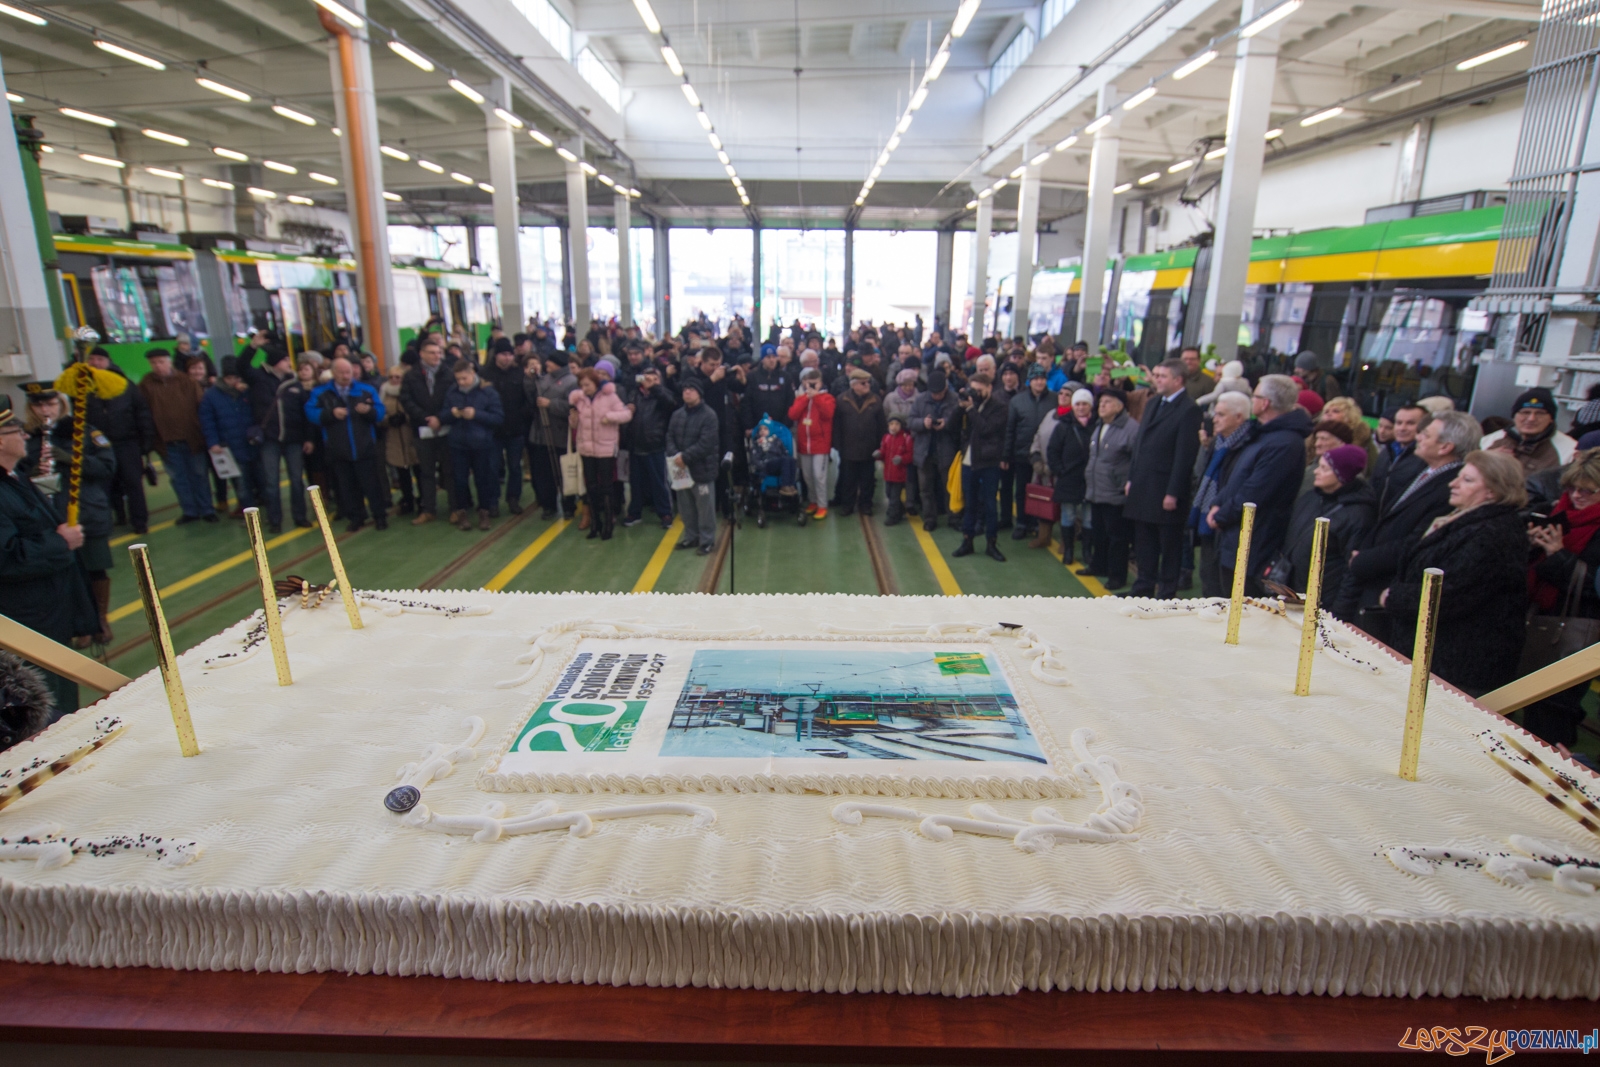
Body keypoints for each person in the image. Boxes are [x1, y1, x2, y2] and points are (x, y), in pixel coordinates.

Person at [1380, 450, 1529, 695]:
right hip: (1435, 657)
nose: (1453, 483)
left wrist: (1393, 597)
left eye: (1467, 480)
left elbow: (1451, 594)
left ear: (1492, 491)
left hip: (1458, 668)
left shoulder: (1491, 535)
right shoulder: (1461, 520)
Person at [1336, 410, 1481, 645]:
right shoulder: (1426, 472)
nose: (1418, 437)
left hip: (1389, 584)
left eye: (1426, 434)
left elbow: (1419, 540)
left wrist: (1366, 560)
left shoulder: (1450, 487)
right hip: (1373, 577)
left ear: (1445, 447)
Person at [0, 397, 95, 716]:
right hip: (28, 626)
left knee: (65, 701)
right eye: (17, 430)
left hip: (50, 614)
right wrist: (60, 541)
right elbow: (7, 557)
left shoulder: (15, 478)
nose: (25, 436)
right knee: (46, 710)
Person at [19, 385, 116, 647]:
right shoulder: (27, 438)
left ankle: (100, 619)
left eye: (50, 404)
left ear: (61, 403)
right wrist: (33, 473)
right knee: (67, 571)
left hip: (85, 511)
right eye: (39, 406)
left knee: (96, 567)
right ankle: (80, 623)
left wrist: (71, 458)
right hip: (50, 515)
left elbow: (107, 466)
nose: (45, 410)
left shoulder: (83, 431)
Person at [1206, 374, 1313, 597]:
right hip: (1236, 534)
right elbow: (1238, 477)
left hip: (1254, 540)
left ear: (1265, 403)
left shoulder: (1284, 443)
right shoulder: (1266, 435)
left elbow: (1255, 491)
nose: (1252, 400)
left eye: (1255, 395)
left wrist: (1222, 515)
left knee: (1241, 605)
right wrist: (1219, 503)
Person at [1524, 448, 1600, 745]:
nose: (1577, 495)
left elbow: (1593, 588)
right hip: (1543, 622)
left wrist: (1557, 556)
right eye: (1572, 487)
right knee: (1533, 706)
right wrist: (1534, 545)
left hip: (1578, 634)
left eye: (1587, 490)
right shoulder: (1559, 511)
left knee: (1556, 712)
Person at [1126, 359, 1203, 598]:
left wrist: (1173, 492)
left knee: (1169, 544)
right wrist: (1132, 477)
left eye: (1162, 376)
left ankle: (1167, 591)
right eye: (1156, 374)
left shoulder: (1189, 409)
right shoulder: (1153, 402)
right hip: (1143, 483)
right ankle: (1143, 586)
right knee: (1144, 541)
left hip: (1165, 487)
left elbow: (1184, 456)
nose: (1156, 379)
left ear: (1178, 380)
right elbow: (1140, 444)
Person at [1275, 445, 1373, 597]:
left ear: (1342, 475)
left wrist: (1340, 611)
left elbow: (1350, 571)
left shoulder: (1358, 515)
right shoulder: (1311, 497)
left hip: (1322, 597)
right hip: (1291, 587)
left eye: (1324, 468)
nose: (1316, 471)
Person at [305, 356, 388, 532]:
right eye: (341, 372)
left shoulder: (366, 390)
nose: (345, 375)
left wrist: (369, 411)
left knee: (372, 484)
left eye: (348, 372)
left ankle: (380, 516)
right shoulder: (321, 393)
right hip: (338, 449)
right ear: (333, 373)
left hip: (364, 446)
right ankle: (356, 517)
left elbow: (380, 412)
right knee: (347, 486)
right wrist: (330, 413)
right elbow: (311, 413)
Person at [140, 348, 215, 524]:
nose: (157, 366)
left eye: (161, 361)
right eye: (153, 363)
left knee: (199, 475)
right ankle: (189, 511)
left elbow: (201, 408)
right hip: (165, 442)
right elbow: (143, 412)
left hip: (192, 439)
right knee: (178, 478)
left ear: (169, 362)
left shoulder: (186, 381)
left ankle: (207, 509)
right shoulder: (146, 385)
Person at [1190, 392, 1254, 598]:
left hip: (1227, 522)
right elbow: (1200, 474)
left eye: (1221, 414)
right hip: (1209, 519)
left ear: (1239, 417)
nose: (1214, 419)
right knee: (1208, 576)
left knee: (1222, 587)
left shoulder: (1246, 447)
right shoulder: (1218, 444)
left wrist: (1221, 512)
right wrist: (1205, 447)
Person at [85, 346, 155, 534]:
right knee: (105, 485)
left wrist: (146, 441)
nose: (96, 363)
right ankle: (113, 519)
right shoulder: (84, 387)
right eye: (92, 359)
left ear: (108, 362)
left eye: (100, 359)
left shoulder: (125, 386)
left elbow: (142, 413)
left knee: (133, 483)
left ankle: (140, 521)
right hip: (98, 446)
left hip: (127, 442)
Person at [248, 349, 310, 532]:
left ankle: (300, 516)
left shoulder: (295, 384)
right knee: (271, 482)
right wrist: (252, 346)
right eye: (284, 359)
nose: (289, 363)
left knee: (297, 480)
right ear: (276, 362)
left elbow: (304, 413)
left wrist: (308, 438)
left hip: (294, 439)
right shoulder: (260, 380)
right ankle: (275, 520)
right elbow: (242, 366)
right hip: (270, 440)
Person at [441, 359, 505, 532]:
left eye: (464, 378)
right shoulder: (452, 392)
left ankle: (484, 511)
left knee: (482, 479)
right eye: (458, 379)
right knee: (460, 480)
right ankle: (462, 513)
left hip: (482, 443)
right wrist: (452, 414)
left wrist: (477, 414)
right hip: (458, 444)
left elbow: (498, 418)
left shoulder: (488, 393)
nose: (461, 382)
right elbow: (443, 415)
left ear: (473, 374)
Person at [568, 368, 631, 540]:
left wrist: (609, 416)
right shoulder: (579, 400)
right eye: (581, 385)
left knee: (606, 486)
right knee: (591, 486)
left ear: (595, 383)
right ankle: (595, 524)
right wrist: (573, 419)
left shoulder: (610, 397)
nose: (584, 388)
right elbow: (575, 425)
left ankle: (608, 525)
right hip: (586, 448)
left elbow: (626, 414)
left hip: (605, 448)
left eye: (587, 384)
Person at [1084, 388, 1137, 589]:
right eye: (1101, 402)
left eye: (1107, 402)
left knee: (1117, 538)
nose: (1102, 405)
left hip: (1116, 492)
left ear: (1119, 406)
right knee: (1099, 532)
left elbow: (1136, 460)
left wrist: (1126, 482)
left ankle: (1117, 575)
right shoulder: (1100, 425)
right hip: (1097, 490)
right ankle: (1099, 565)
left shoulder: (1130, 429)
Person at [953, 372, 1009, 561]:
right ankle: (967, 540)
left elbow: (986, 429)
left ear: (989, 388)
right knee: (970, 504)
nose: (976, 394)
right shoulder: (969, 405)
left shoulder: (999, 408)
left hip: (988, 462)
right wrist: (960, 405)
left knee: (990, 504)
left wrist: (970, 410)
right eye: (973, 390)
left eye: (979, 391)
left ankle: (991, 543)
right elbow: (952, 425)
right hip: (969, 461)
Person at [400, 339, 455, 525]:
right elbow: (406, 400)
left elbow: (454, 398)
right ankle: (428, 509)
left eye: (439, 352)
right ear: (422, 354)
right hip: (422, 430)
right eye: (432, 352)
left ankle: (455, 508)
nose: (436, 356)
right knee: (426, 472)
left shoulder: (448, 374)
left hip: (446, 428)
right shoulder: (411, 376)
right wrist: (426, 418)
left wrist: (441, 418)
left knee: (450, 470)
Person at [1045, 387, 1096, 567]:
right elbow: (1052, 451)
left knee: (1089, 518)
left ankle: (1087, 551)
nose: (1081, 408)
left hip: (1090, 480)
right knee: (1068, 516)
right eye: (1078, 404)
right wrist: (1060, 470)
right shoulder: (1063, 426)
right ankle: (1068, 550)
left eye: (1085, 404)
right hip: (1069, 478)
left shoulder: (1097, 425)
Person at [1004, 365, 1055, 542]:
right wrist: (1006, 455)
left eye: (1042, 378)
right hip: (1022, 453)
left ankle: (1038, 523)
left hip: (1046, 455)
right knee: (1022, 489)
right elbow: (1010, 430)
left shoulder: (1054, 400)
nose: (1039, 382)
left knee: (1043, 490)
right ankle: (1022, 523)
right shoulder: (1017, 401)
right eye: (1035, 379)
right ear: (1029, 381)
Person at [667, 381, 719, 555]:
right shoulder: (677, 415)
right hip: (681, 470)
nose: (687, 392)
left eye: (691, 390)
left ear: (699, 393)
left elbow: (707, 443)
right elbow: (669, 437)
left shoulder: (709, 416)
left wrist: (685, 457)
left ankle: (707, 540)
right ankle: (691, 536)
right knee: (685, 506)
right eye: (684, 390)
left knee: (705, 507)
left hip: (701, 469)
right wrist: (676, 456)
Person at [625, 365, 678, 530]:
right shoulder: (634, 394)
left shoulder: (663, 393)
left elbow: (671, 404)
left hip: (655, 444)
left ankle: (665, 512)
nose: (650, 382)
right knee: (636, 482)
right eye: (647, 378)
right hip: (636, 445)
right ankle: (635, 512)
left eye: (655, 379)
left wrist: (655, 389)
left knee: (659, 482)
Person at [525, 352, 577, 519]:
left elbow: (572, 407)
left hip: (560, 434)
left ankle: (568, 504)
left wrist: (551, 404)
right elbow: (529, 396)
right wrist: (529, 379)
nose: (547, 363)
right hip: (540, 433)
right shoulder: (542, 379)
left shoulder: (572, 382)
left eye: (551, 361)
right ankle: (548, 505)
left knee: (563, 472)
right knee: (543, 473)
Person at [482, 339, 530, 515]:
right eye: (503, 354)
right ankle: (493, 501)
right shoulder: (485, 374)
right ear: (496, 355)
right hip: (493, 431)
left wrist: (520, 416)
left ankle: (513, 498)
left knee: (515, 467)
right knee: (492, 468)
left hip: (515, 429)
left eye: (510, 354)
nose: (507, 358)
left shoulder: (519, 374)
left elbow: (527, 399)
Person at [1484, 387, 1577, 477]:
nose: (1531, 419)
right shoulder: (1489, 441)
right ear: (1514, 415)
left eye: (1540, 413)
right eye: (1525, 412)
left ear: (1551, 419)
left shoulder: (1569, 450)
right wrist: (1485, 460)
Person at [910, 370, 959, 531]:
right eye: (934, 393)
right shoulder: (920, 400)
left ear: (946, 389)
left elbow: (961, 422)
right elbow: (910, 421)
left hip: (946, 450)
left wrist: (947, 423)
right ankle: (930, 518)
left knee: (949, 487)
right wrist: (923, 424)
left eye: (940, 393)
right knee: (926, 489)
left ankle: (953, 517)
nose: (937, 396)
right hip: (925, 451)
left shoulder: (954, 400)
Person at [834, 368, 887, 517]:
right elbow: (837, 425)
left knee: (867, 479)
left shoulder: (875, 400)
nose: (867, 386)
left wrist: (881, 446)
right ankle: (847, 504)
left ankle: (866, 504)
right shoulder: (842, 400)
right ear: (854, 384)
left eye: (868, 383)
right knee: (848, 479)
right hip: (848, 447)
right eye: (863, 383)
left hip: (869, 448)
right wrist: (837, 445)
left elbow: (881, 425)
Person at [789, 367, 835, 519]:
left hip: (820, 445)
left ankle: (822, 505)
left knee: (819, 476)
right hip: (804, 444)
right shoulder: (800, 398)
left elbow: (828, 414)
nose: (812, 387)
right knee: (807, 476)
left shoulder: (827, 398)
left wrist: (816, 397)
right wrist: (806, 398)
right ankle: (813, 501)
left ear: (820, 383)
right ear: (804, 383)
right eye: (809, 384)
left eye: (815, 384)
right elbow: (793, 414)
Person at [379, 363, 418, 516]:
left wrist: (406, 417)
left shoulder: (410, 391)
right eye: (391, 377)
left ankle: (422, 501)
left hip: (411, 436)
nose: (394, 380)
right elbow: (379, 415)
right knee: (402, 473)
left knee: (418, 469)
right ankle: (407, 500)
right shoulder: (384, 393)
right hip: (394, 438)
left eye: (398, 377)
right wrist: (388, 420)